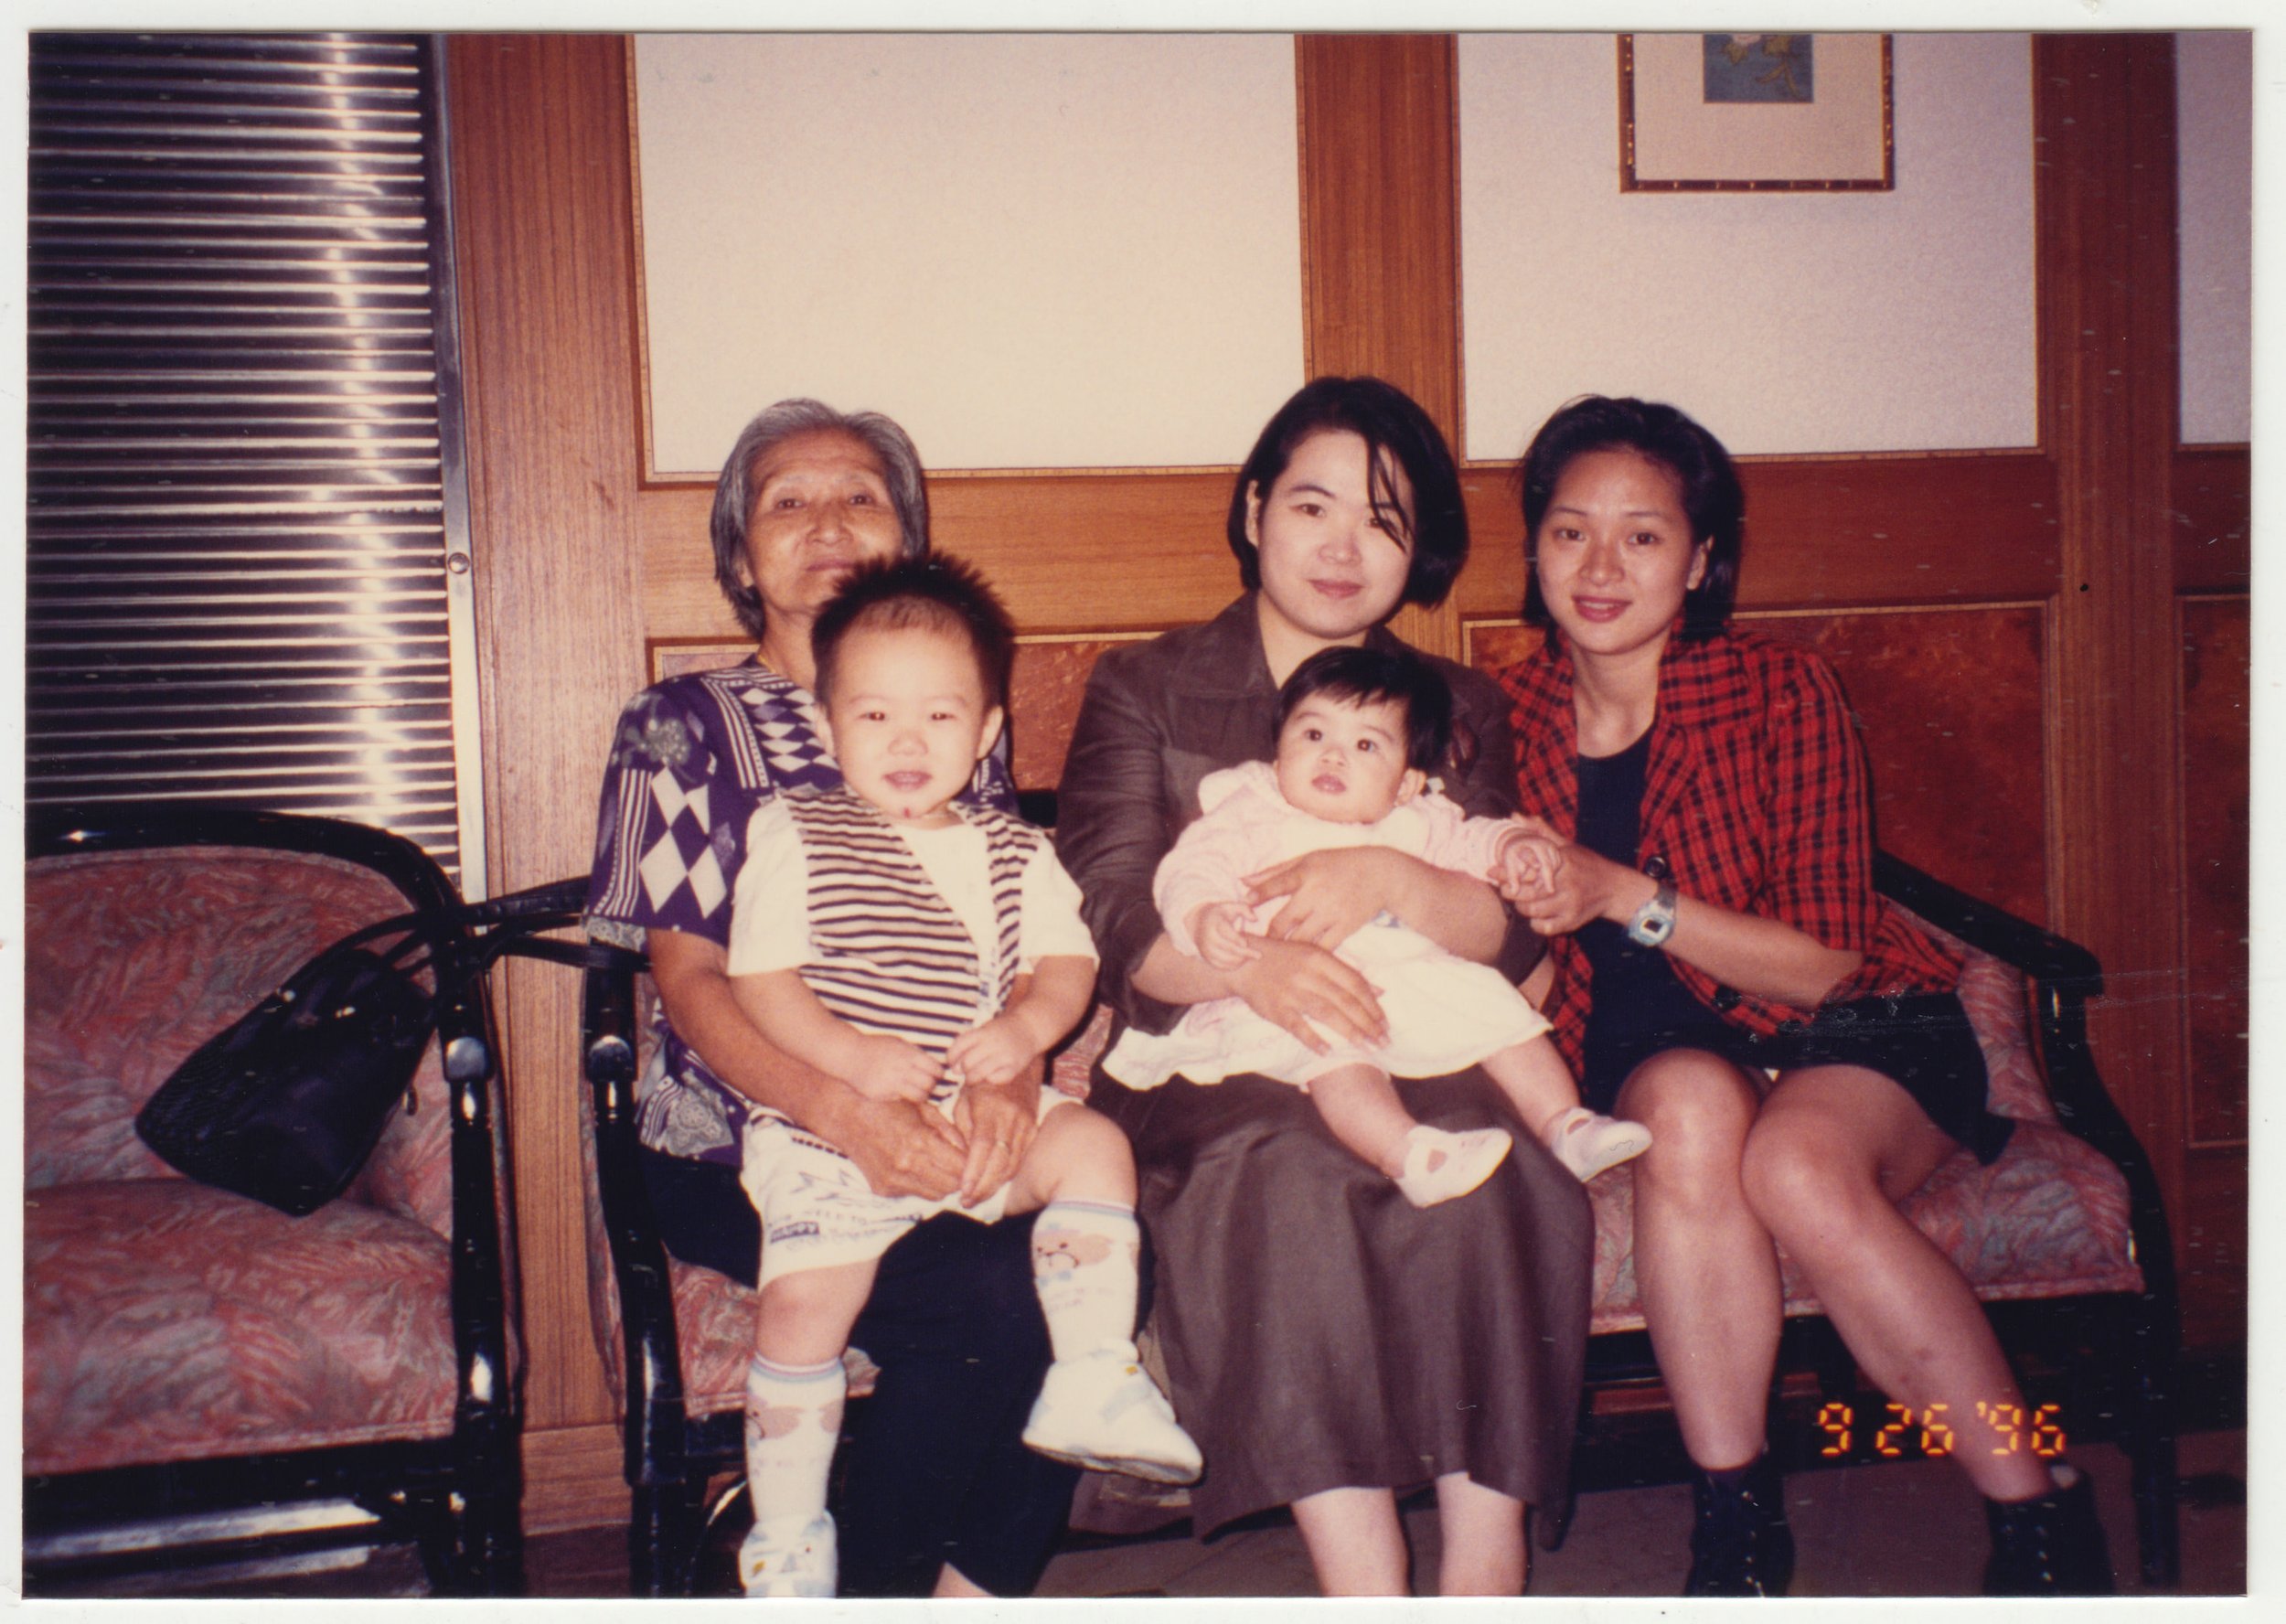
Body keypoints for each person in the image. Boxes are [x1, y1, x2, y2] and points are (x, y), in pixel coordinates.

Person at [1493, 394, 2112, 1597]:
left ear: (1703, 558)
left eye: (1645, 535)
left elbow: (1831, 959)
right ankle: (1738, 1527)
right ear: (1534, 550)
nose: (1602, 566)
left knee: (1794, 1167)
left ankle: (2037, 1511)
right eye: (1571, 532)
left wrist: (1621, 891)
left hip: (1849, 1030)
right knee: (1688, 1112)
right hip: (1654, 1050)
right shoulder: (1499, 722)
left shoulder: (1782, 692)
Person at [1057, 376, 1595, 1597]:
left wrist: (1383, 871)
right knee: (1289, 1164)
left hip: (1422, 1030)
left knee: (1499, 1158)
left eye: (1387, 522)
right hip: (1208, 1058)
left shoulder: (1455, 704)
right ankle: (1369, 1591)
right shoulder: (1144, 686)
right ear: (1254, 512)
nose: (1347, 548)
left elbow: (1514, 943)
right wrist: (1265, 963)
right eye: (1314, 506)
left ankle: (1484, 1567)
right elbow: (1117, 918)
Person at [584, 400, 1083, 1599]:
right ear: (742, 559)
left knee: (1081, 1256)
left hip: (941, 1105)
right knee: (987, 1300)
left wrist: (1012, 1072)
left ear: (905, 539)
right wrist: (847, 1114)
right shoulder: (681, 726)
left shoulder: (952, 713)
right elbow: (692, 981)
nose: (829, 522)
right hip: (740, 1139)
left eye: (861, 496)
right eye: (788, 502)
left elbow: (1013, 940)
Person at [722, 554, 1200, 1595]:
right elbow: (760, 981)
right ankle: (791, 1535)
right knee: (804, 1307)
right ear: (826, 722)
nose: (906, 743)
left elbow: (1066, 965)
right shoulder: (795, 832)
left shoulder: (1014, 850)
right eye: (875, 715)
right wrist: (852, 1063)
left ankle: (1092, 1373)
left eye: (940, 718)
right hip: (833, 1128)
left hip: (968, 1117)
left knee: (1093, 1146)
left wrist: (1024, 1031)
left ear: (986, 732)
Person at [1099, 643, 1650, 1202]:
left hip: (1413, 975)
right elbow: (1192, 868)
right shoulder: (1251, 811)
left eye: (1365, 745)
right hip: (1303, 981)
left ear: (1407, 782)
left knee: (1504, 1018)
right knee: (1338, 1061)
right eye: (1313, 736)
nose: (1333, 757)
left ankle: (1566, 1125)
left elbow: (1474, 839)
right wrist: (1203, 915)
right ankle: (1409, 1153)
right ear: (1278, 753)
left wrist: (1514, 847)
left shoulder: (1416, 818)